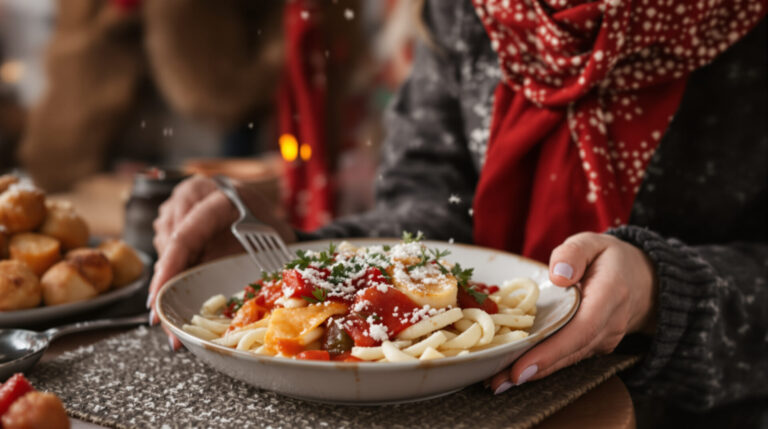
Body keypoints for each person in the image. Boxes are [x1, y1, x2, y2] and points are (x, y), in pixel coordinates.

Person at [148, 0, 767, 425]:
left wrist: (660, 291)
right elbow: (428, 208)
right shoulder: (469, 10)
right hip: (451, 408)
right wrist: (290, 253)